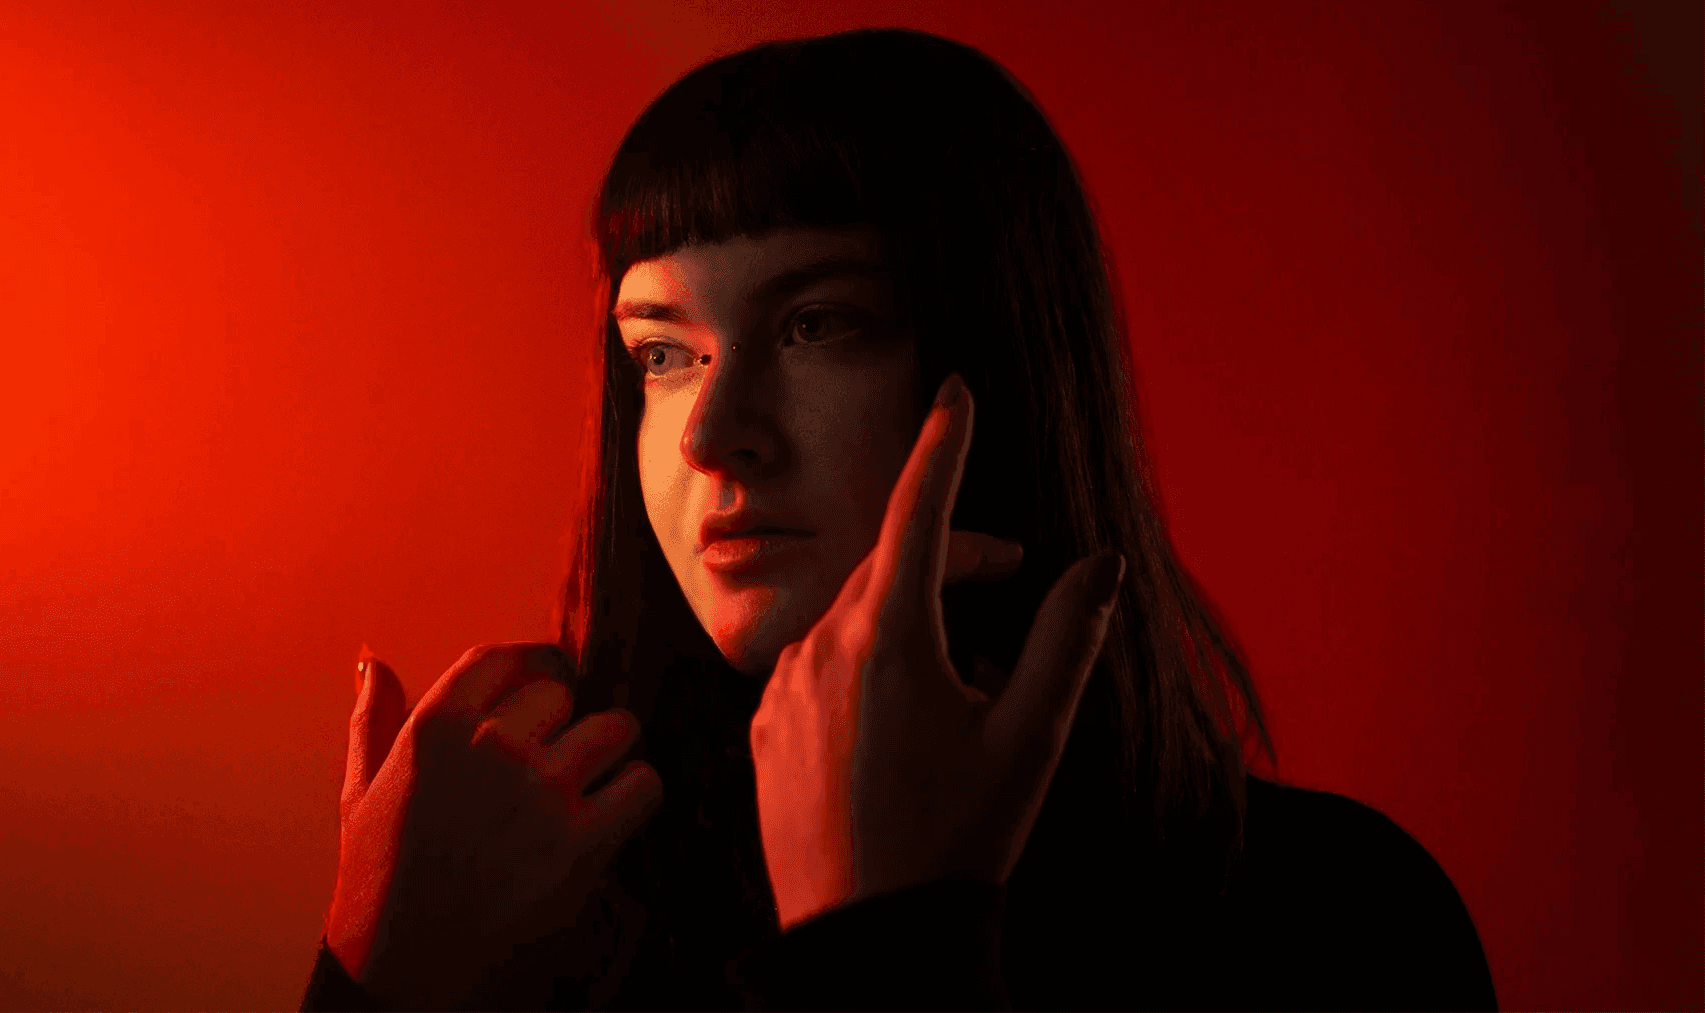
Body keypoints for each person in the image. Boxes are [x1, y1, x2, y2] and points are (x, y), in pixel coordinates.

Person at [301, 27, 1498, 1012]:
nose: (716, 433)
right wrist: (372, 984)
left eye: (819, 324)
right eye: (663, 352)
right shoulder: (549, 915)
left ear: (1005, 366)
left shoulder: (1336, 916)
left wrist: (888, 943)